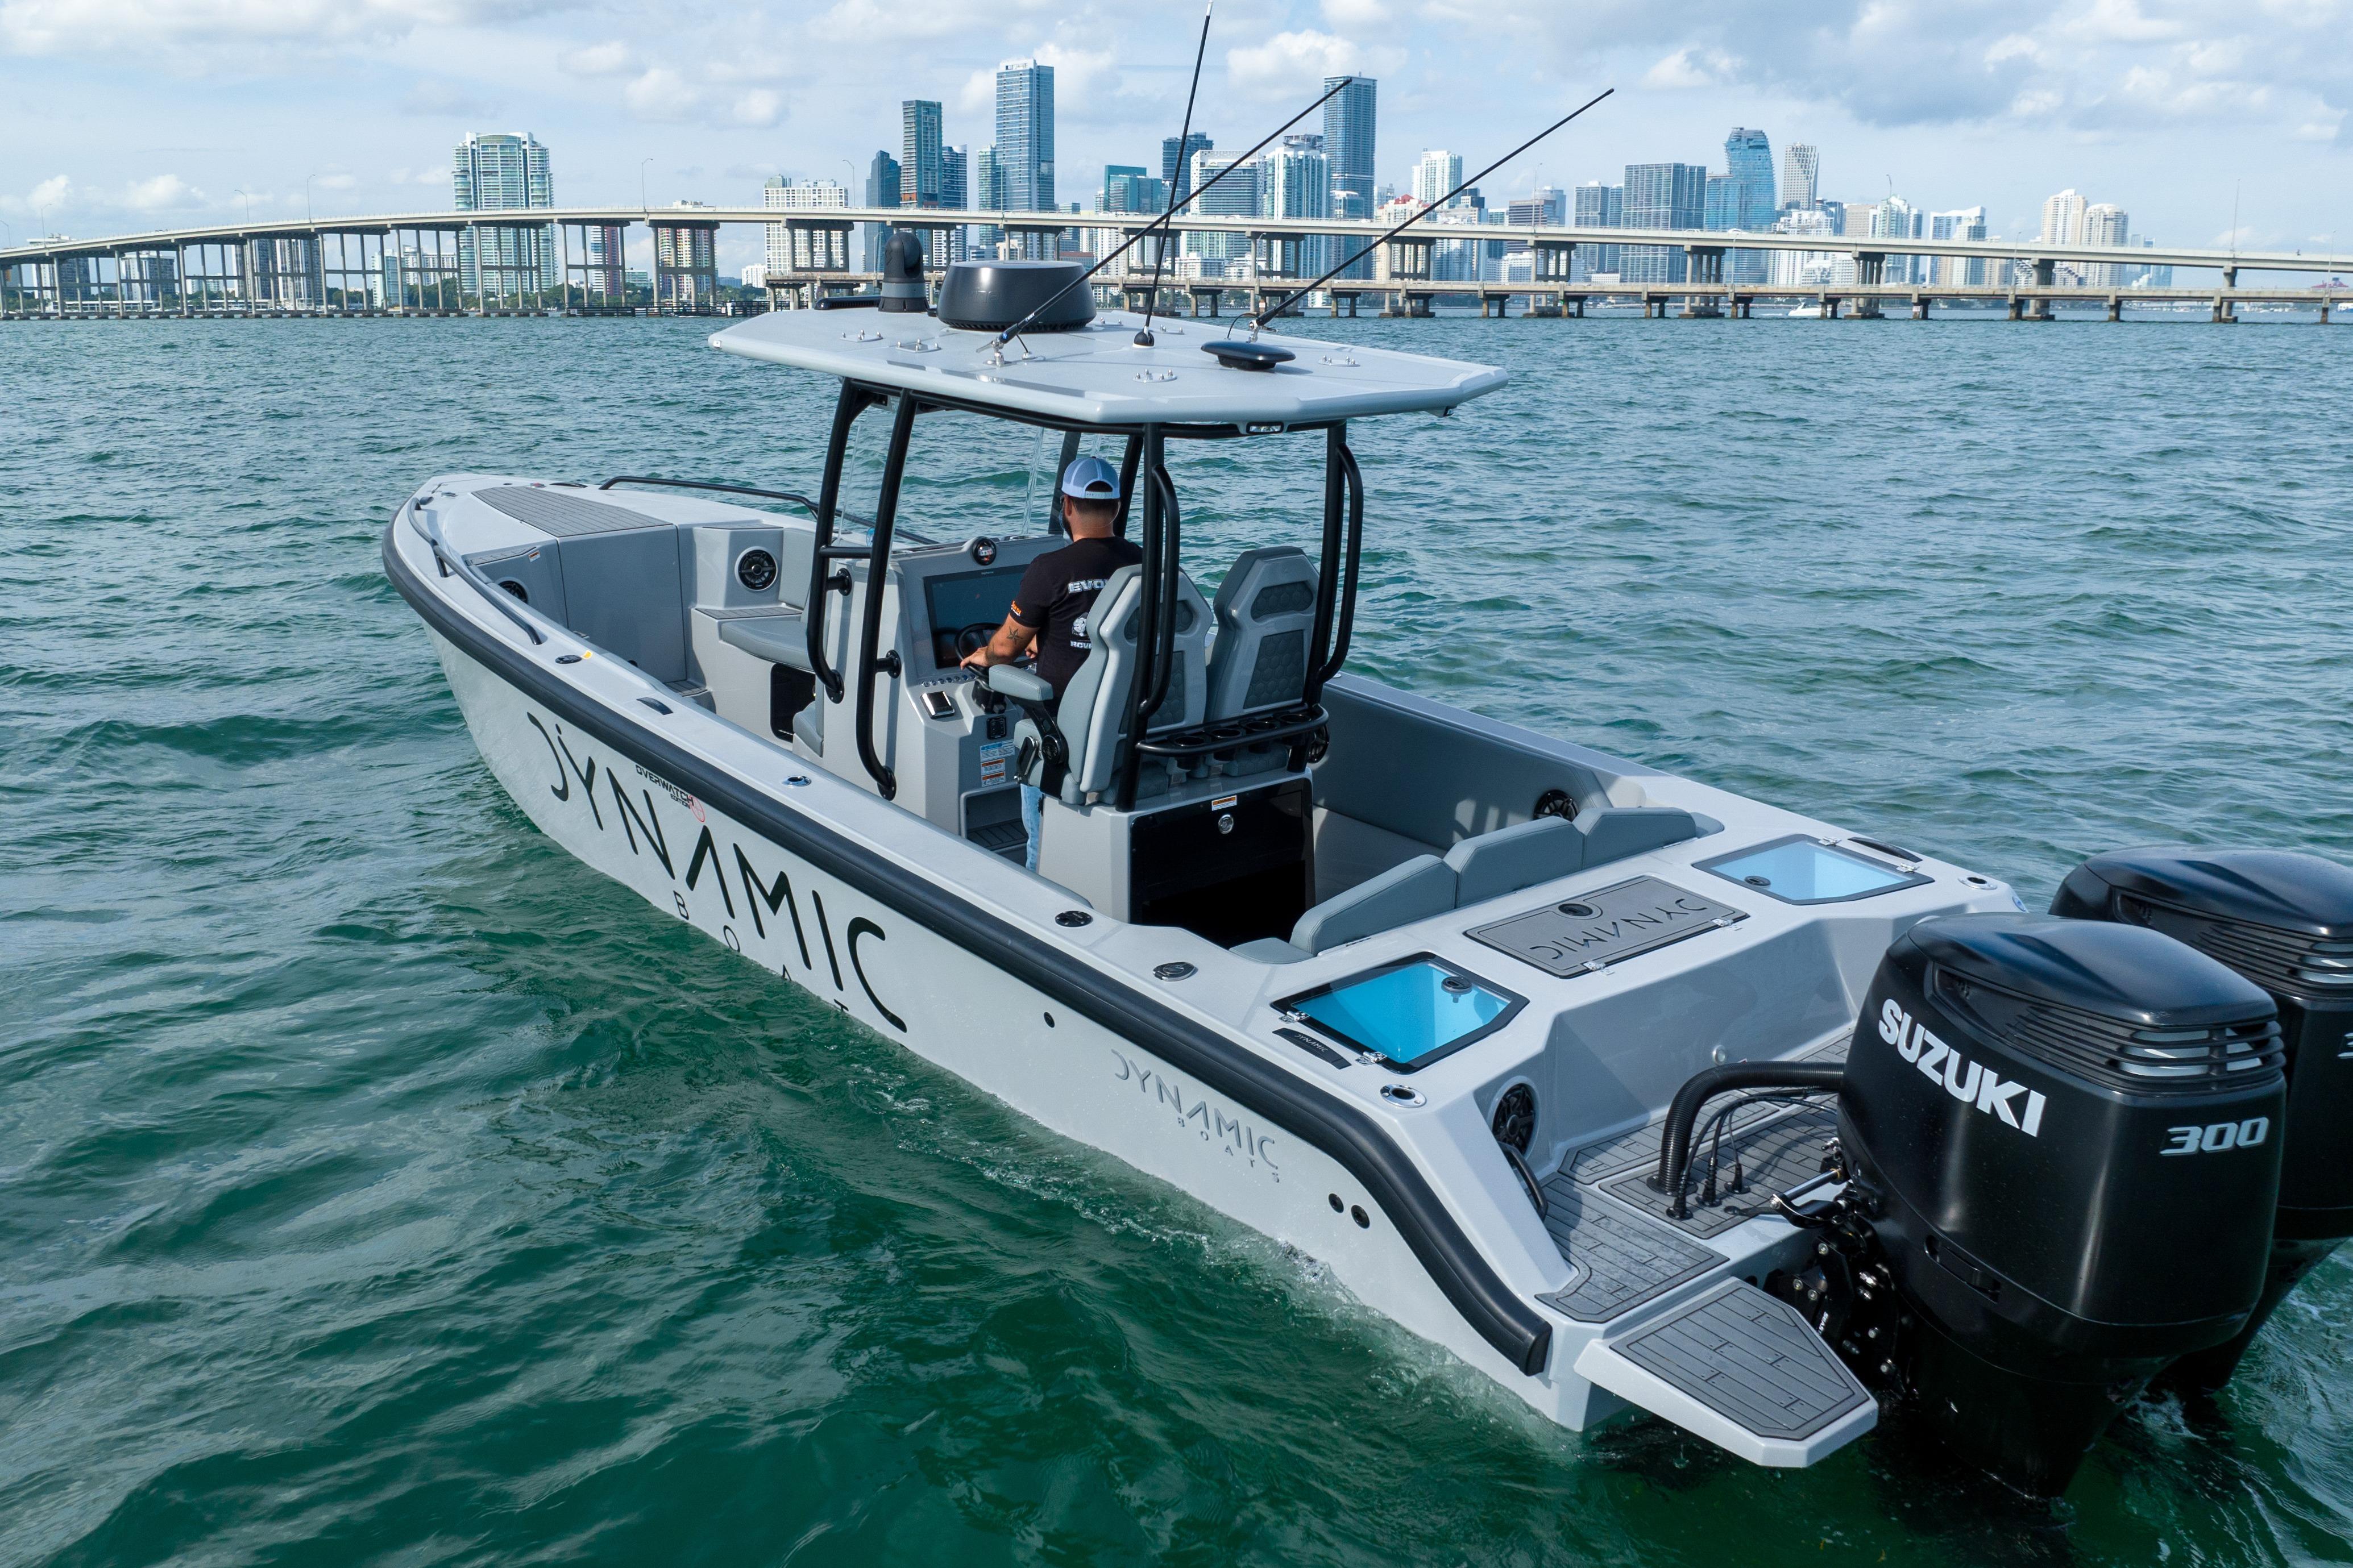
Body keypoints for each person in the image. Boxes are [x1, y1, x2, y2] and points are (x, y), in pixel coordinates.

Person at [961, 456, 1143, 870]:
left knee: (1038, 836)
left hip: (1066, 732)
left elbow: (1005, 650)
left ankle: (1039, 881)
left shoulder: (1049, 570)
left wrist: (979, 656)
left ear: (1066, 506)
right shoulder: (1143, 563)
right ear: (1116, 507)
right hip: (1127, 724)